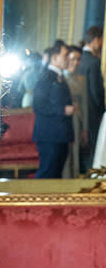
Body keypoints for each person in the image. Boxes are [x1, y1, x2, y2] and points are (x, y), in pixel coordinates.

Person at [32, 39, 74, 178]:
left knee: (56, 176)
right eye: (65, 55)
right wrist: (62, 110)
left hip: (61, 135)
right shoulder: (46, 77)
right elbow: (38, 105)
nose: (68, 58)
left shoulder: (60, 76)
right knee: (47, 174)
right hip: (49, 135)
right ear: (55, 58)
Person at [79, 26, 105, 174]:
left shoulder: (79, 58)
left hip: (81, 111)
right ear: (96, 41)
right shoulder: (94, 62)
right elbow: (96, 92)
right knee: (93, 148)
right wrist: (103, 110)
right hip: (93, 112)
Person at [63, 45, 88, 177]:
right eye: (73, 59)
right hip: (63, 120)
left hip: (77, 120)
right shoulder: (60, 78)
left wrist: (85, 128)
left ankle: (75, 178)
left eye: (78, 59)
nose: (76, 62)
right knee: (66, 153)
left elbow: (84, 105)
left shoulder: (82, 79)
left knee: (76, 151)